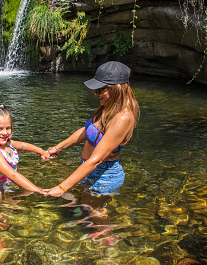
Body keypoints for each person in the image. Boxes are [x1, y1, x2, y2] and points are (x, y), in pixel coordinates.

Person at [44, 60, 140, 201]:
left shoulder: (123, 118)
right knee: (86, 212)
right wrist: (58, 148)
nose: (96, 94)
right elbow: (87, 130)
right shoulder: (108, 108)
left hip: (104, 176)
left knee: (96, 218)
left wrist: (62, 187)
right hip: (88, 169)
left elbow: (96, 159)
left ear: (116, 88)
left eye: (100, 89)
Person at [0, 104, 49, 252]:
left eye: (7, 128)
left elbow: (23, 145)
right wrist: (39, 190)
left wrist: (41, 151)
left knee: (8, 210)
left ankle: (0, 228)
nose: (4, 133)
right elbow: (13, 175)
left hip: (6, 186)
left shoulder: (8, 145)